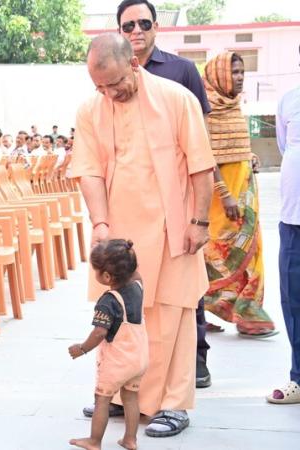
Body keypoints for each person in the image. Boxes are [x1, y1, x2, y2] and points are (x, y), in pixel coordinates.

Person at [71, 34, 214, 438]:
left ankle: (173, 403)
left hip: (172, 226)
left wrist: (199, 222)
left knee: (172, 315)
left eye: (115, 83)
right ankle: (120, 393)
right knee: (122, 314)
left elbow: (201, 166)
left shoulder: (177, 98)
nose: (109, 93)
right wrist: (100, 223)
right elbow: (88, 171)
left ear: (134, 64)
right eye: (100, 86)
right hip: (120, 233)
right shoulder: (91, 109)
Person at [115, 0, 215, 388]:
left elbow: (200, 141)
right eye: (128, 26)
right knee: (132, 297)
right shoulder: (113, 75)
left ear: (156, 27)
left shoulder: (181, 72)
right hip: (133, 208)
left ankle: (195, 361)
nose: (136, 31)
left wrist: (200, 214)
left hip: (178, 202)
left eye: (144, 23)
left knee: (182, 294)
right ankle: (129, 387)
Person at [202, 51, 276, 338]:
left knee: (251, 253)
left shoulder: (234, 106)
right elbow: (204, 156)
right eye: (234, 72)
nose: (240, 77)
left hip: (244, 191)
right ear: (219, 75)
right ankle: (202, 309)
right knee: (217, 255)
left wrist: (249, 157)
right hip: (221, 200)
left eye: (242, 71)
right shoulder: (207, 110)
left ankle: (248, 312)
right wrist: (225, 194)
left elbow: (234, 147)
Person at [68, 240, 147, 450]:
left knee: (102, 399)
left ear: (106, 277)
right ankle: (130, 439)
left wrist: (82, 348)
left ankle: (94, 441)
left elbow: (99, 332)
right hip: (139, 358)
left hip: (117, 361)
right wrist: (127, 257)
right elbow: (135, 272)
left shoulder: (107, 302)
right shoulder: (138, 286)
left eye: (96, 270)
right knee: (130, 397)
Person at [270, 64, 300, 404]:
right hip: (293, 220)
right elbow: (284, 146)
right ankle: (299, 378)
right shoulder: (289, 100)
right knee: (294, 301)